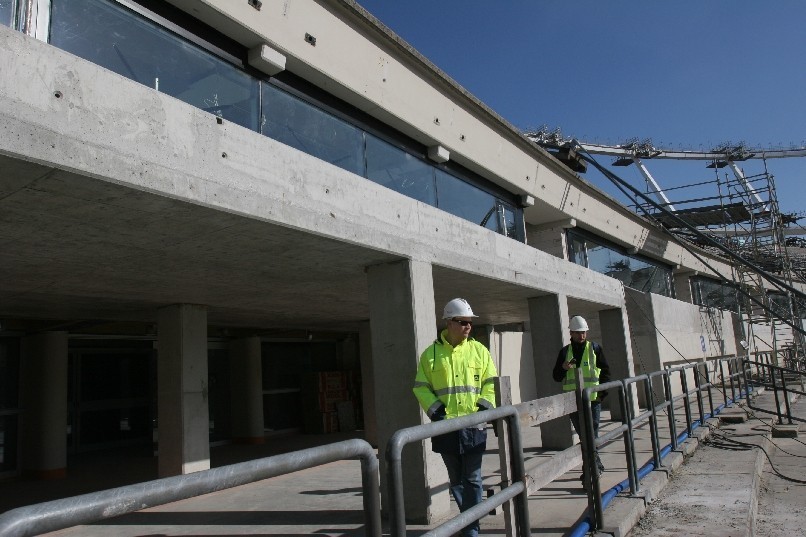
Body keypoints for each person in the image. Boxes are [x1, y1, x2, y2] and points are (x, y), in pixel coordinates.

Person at [413, 298, 498, 537]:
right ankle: (470, 520)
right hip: (446, 426)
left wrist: (483, 409)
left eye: (470, 323)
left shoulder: (479, 351)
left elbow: (491, 383)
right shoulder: (431, 355)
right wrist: (436, 410)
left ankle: (471, 527)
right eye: (462, 322)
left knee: (472, 478)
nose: (468, 327)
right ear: (449, 323)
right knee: (456, 480)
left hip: (474, 425)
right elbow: (420, 386)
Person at [552, 315, 611, 479]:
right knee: (585, 437)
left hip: (593, 401)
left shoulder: (595, 349)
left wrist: (601, 396)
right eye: (578, 333)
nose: (581, 336)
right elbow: (556, 376)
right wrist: (563, 367)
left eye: (583, 332)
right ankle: (595, 465)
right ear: (571, 333)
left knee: (591, 436)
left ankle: (589, 472)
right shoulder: (565, 352)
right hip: (574, 403)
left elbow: (606, 373)